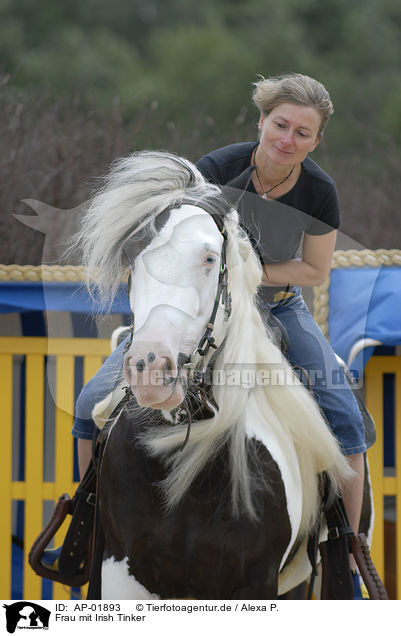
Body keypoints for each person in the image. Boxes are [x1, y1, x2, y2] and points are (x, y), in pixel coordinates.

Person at [71, 72, 366, 592]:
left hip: (276, 305)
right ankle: (90, 528)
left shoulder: (320, 191)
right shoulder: (216, 169)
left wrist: (245, 270)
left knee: (344, 416)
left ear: (317, 140)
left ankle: (343, 550)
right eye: (281, 124)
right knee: (92, 400)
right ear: (261, 121)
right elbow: (188, 245)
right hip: (202, 305)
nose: (287, 139)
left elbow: (315, 271)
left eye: (303, 132)